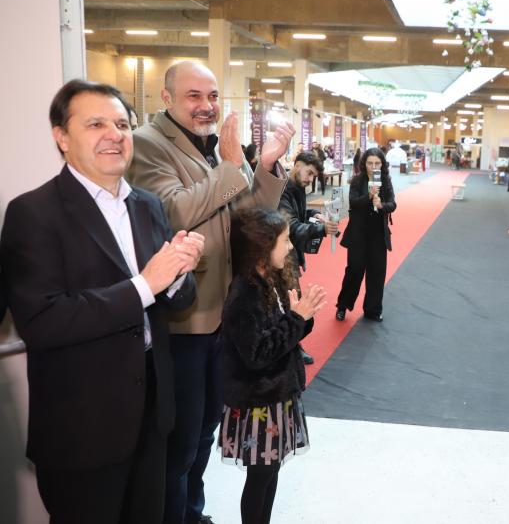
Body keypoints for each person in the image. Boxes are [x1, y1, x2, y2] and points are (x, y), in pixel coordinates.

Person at [0, 79, 203, 524]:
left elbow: (174, 298)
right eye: (95, 124)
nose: (115, 134)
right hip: (83, 425)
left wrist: (179, 273)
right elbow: (44, 320)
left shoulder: (147, 205)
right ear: (61, 137)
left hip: (151, 411)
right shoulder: (32, 213)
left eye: (122, 123)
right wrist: (146, 285)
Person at [129, 60, 292, 524]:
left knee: (204, 434)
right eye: (194, 96)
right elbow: (174, 213)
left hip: (223, 316)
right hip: (186, 320)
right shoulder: (147, 145)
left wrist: (260, 168)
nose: (206, 106)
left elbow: (245, 222)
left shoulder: (206, 149)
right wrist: (228, 164)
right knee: (180, 441)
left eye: (213, 96)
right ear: (166, 98)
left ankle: (192, 513)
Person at [219, 208, 325, 524]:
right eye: (285, 241)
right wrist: (296, 318)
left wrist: (301, 317)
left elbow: (287, 335)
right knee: (260, 476)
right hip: (258, 404)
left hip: (278, 396)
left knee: (271, 471)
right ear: (263, 247)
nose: (291, 247)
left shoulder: (273, 280)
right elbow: (258, 353)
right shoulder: (244, 293)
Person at [279, 152, 339, 365]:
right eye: (309, 173)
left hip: (288, 254)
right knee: (289, 304)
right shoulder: (283, 188)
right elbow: (291, 226)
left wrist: (314, 215)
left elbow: (299, 214)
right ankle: (290, 347)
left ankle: (292, 345)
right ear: (296, 165)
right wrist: (321, 229)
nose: (310, 179)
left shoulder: (296, 188)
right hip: (279, 257)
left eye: (313, 176)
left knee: (290, 303)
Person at [335, 148, 396, 323]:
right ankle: (342, 306)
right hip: (358, 233)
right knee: (354, 271)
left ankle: (373, 310)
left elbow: (393, 203)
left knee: (377, 273)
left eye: (377, 163)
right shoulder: (357, 180)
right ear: (364, 163)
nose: (373, 166)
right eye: (370, 163)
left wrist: (382, 205)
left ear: (382, 164)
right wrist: (368, 197)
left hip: (378, 234)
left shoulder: (385, 180)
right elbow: (353, 203)